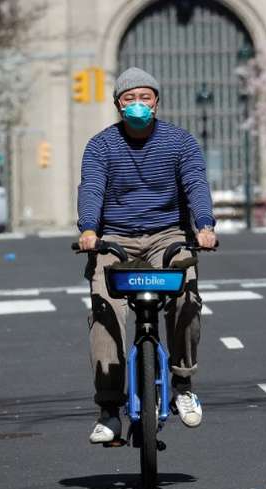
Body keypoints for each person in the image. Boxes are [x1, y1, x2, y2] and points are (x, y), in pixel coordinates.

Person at [76, 67, 216, 444]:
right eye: (129, 98)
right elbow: (91, 188)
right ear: (118, 105)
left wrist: (204, 226)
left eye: (145, 97)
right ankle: (109, 410)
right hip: (115, 240)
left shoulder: (180, 143)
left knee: (186, 297)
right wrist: (89, 231)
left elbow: (196, 184)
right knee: (104, 311)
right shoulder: (101, 146)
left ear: (156, 101)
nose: (138, 105)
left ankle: (183, 383)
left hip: (167, 237)